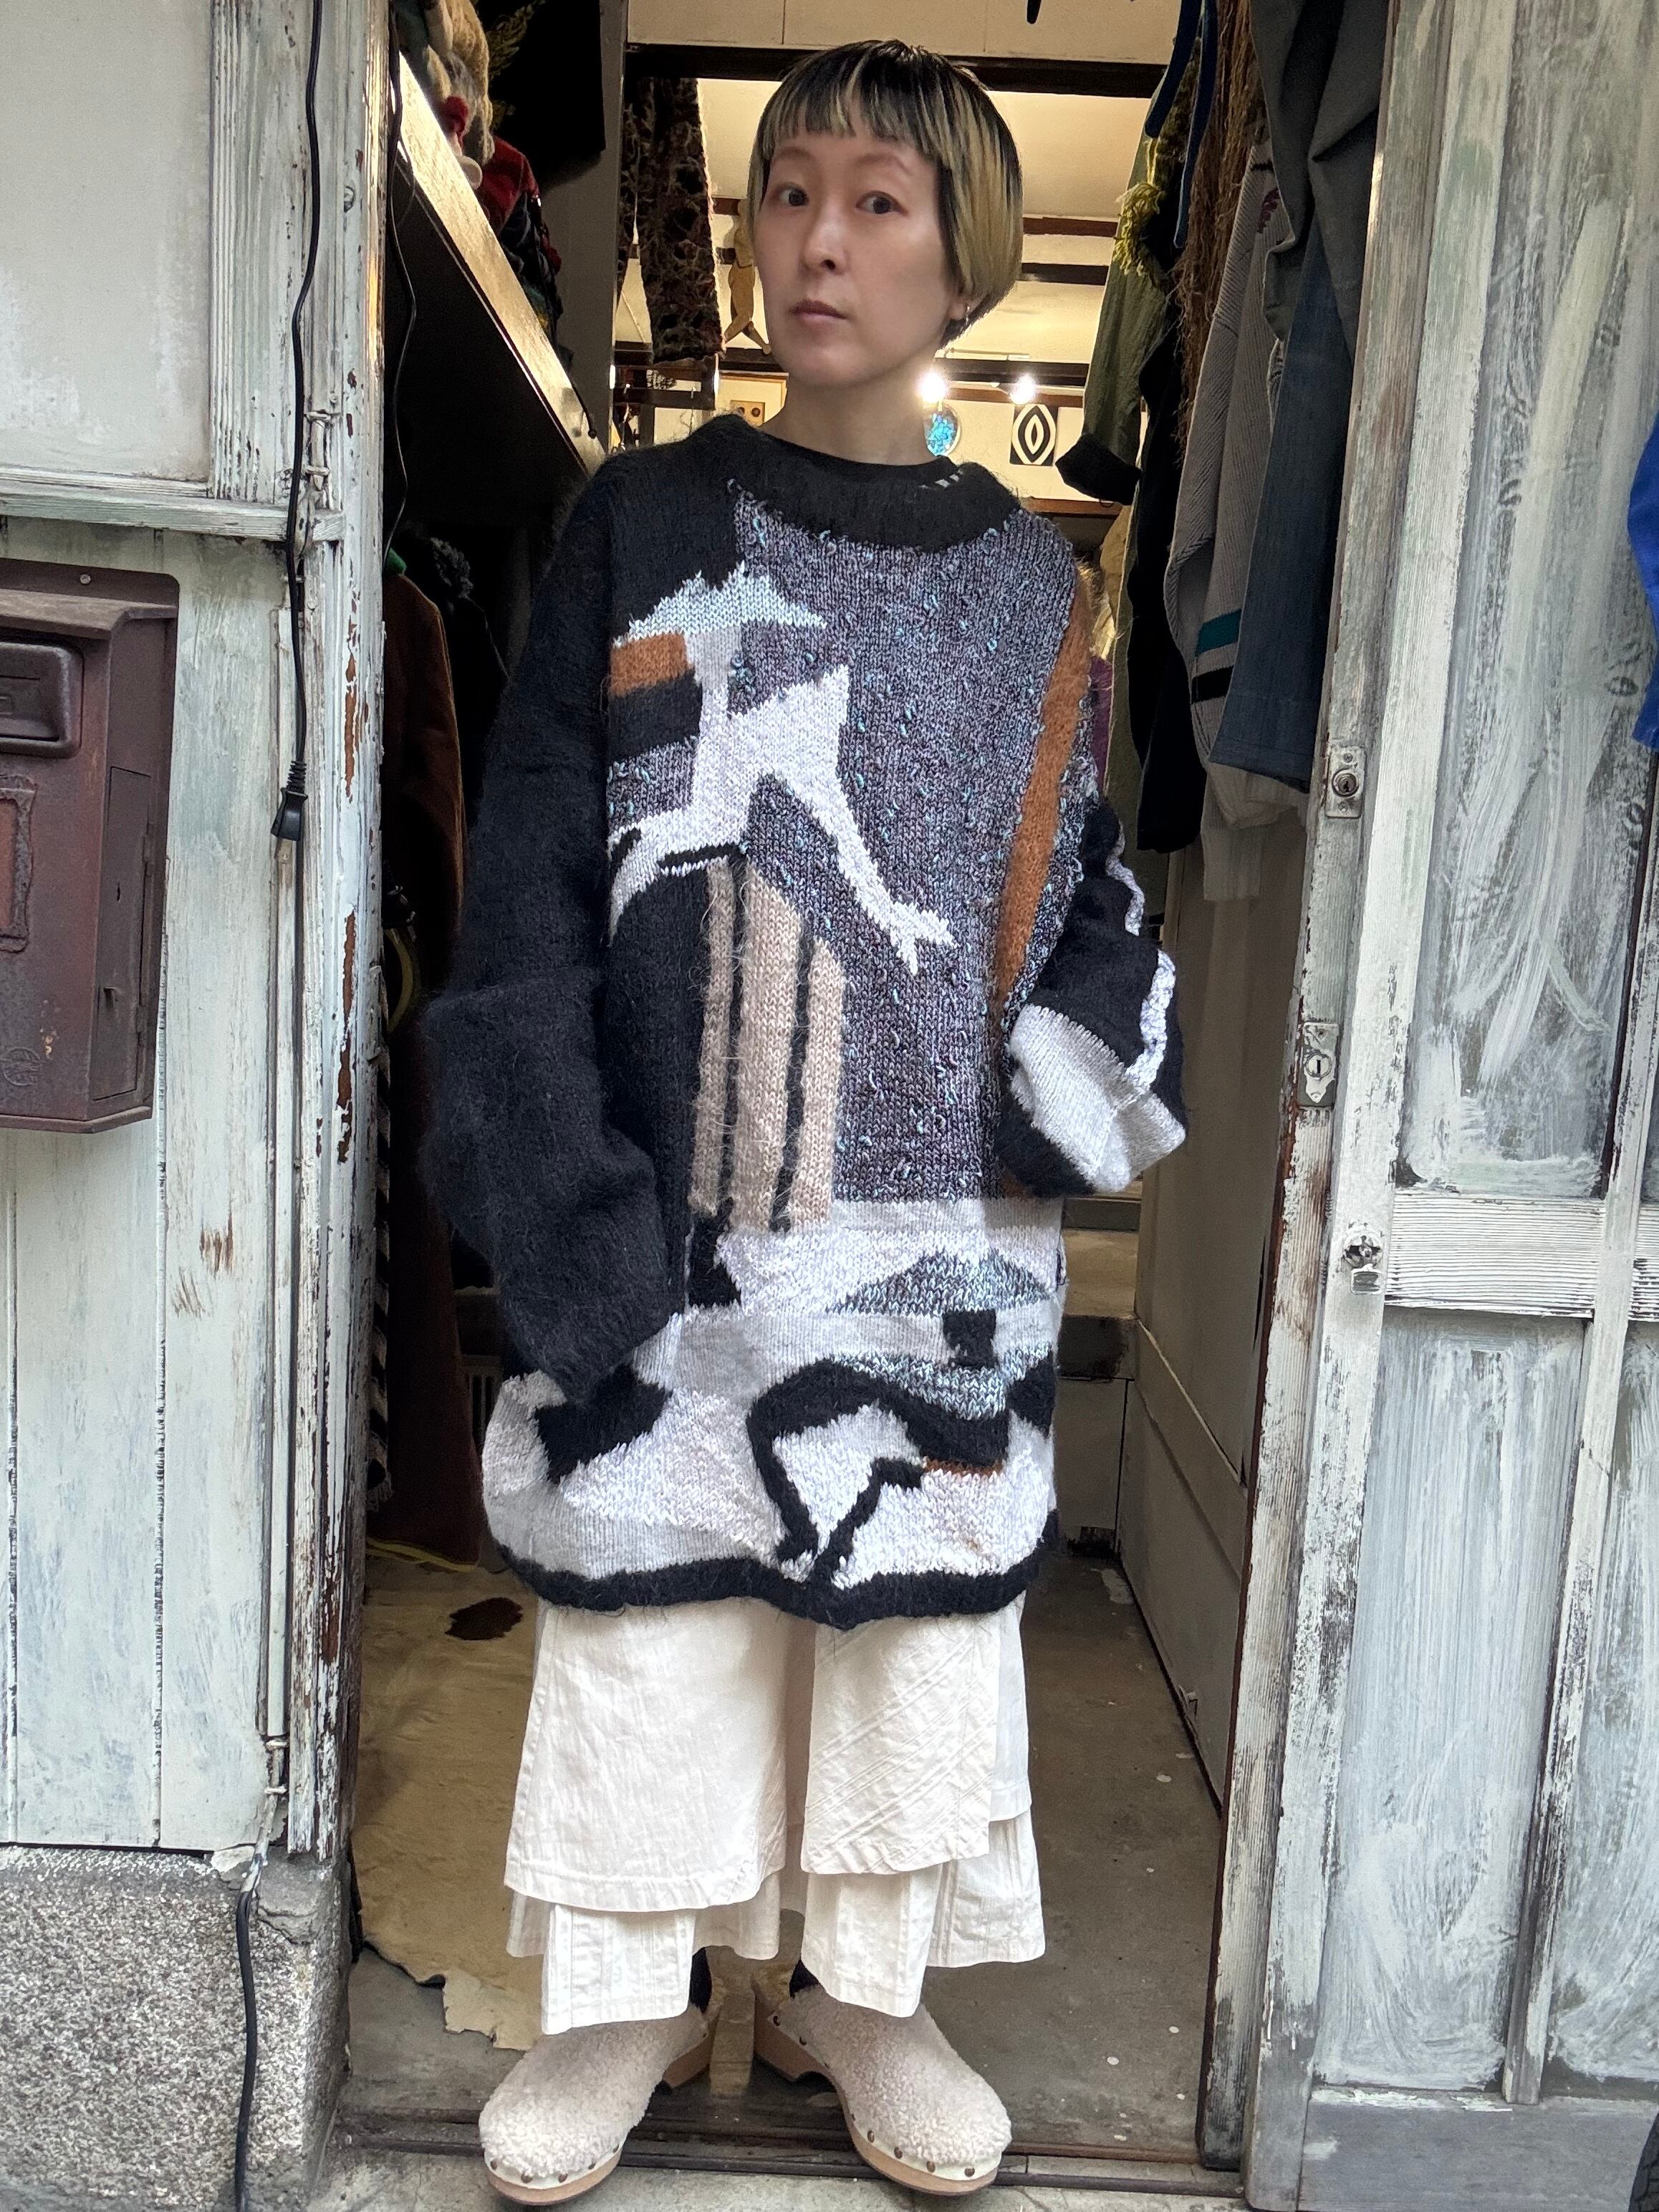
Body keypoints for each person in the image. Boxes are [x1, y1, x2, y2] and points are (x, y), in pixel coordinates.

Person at [423, 39, 1186, 2203]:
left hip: (926, 1227)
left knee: (897, 1639)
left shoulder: (1034, 590)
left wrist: (1055, 1094)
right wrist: (558, 1196)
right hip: (664, 1208)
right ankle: (630, 2001)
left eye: (875, 202)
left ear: (968, 256)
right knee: (655, 1631)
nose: (815, 243)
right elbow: (529, 874)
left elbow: (1086, 890)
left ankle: (866, 1995)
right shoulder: (643, 523)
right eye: (787, 195)